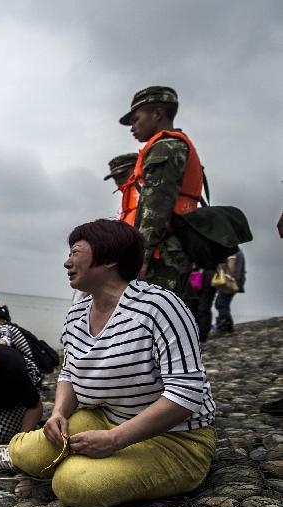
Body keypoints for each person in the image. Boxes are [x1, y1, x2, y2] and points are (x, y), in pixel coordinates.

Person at [0, 219, 215, 507]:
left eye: (75, 252)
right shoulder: (76, 314)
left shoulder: (160, 306)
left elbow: (186, 393)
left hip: (176, 439)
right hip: (106, 418)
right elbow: (68, 373)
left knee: (74, 485)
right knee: (32, 453)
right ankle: (32, 456)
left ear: (109, 259)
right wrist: (58, 413)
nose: (67, 262)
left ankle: (73, 466)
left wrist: (115, 440)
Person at [118, 86, 205, 299]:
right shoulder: (171, 146)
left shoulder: (166, 147)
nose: (132, 127)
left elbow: (156, 207)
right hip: (165, 249)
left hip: (161, 254)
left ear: (157, 114)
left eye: (136, 119)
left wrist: (141, 257)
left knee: (147, 320)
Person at [0, 304, 42, 388]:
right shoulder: (9, 326)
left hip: (29, 375)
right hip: (33, 373)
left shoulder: (4, 328)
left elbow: (5, 340)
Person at [214, 248, 246, 336]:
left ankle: (225, 328)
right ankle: (226, 327)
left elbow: (231, 262)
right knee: (220, 303)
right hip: (236, 281)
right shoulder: (237, 250)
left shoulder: (231, 249)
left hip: (230, 282)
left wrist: (227, 277)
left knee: (221, 304)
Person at [104, 152, 139, 225]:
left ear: (138, 168)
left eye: (122, 175)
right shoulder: (124, 202)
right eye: (115, 178)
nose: (118, 181)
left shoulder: (151, 189)